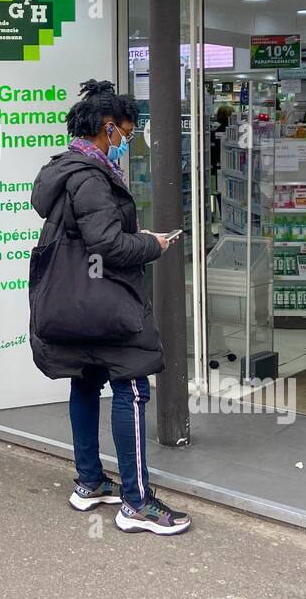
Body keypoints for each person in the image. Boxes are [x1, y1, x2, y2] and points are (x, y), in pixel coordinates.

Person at [29, 79, 191, 538]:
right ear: (108, 128)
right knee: (132, 388)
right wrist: (152, 244)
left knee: (84, 382)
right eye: (126, 131)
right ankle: (137, 504)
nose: (128, 141)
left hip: (75, 300)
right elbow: (106, 243)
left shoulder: (64, 169)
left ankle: (89, 482)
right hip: (105, 300)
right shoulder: (91, 177)